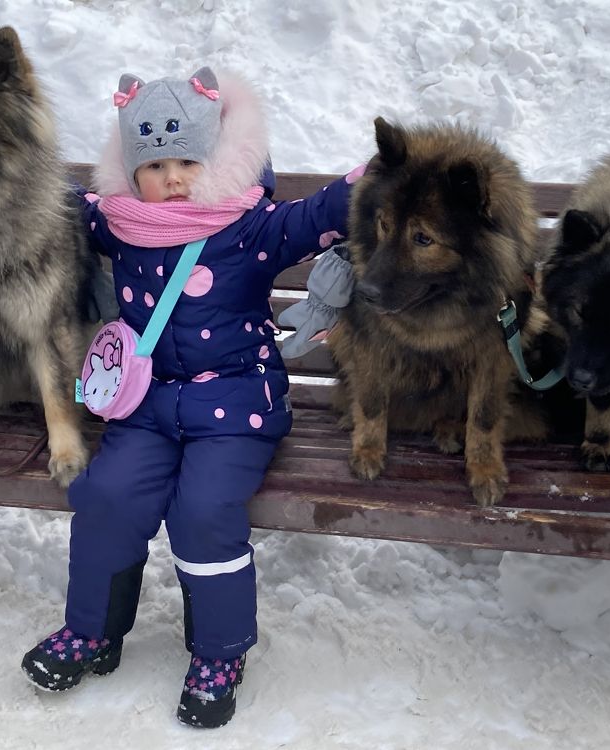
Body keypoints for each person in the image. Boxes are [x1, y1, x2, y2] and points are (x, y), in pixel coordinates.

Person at [21, 66, 359, 729]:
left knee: (202, 510)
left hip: (235, 408)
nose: (173, 178)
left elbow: (319, 216)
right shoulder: (120, 224)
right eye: (155, 165)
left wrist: (373, 178)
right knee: (105, 496)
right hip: (147, 406)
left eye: (188, 160)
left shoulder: (249, 227)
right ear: (129, 171)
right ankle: (93, 632)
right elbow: (52, 201)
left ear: (217, 160)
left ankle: (219, 653)